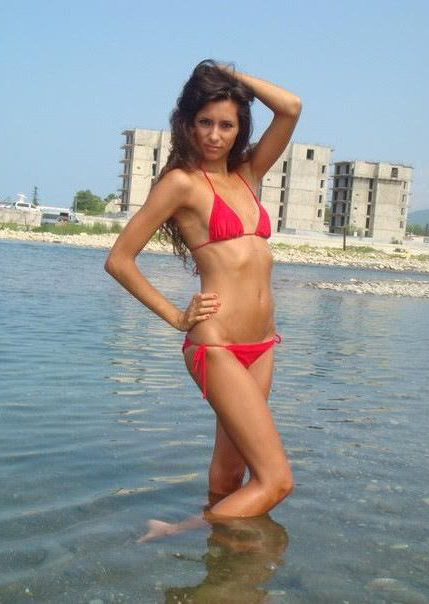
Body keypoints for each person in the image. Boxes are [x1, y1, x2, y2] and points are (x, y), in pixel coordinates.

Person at [105, 59, 301, 528]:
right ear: (188, 125)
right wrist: (176, 316)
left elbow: (290, 108)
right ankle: (177, 531)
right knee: (276, 481)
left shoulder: (248, 174)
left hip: (262, 345)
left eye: (226, 125)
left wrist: (232, 76)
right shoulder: (181, 184)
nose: (215, 135)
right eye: (205, 122)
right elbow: (119, 260)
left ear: (239, 128)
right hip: (217, 346)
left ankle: (222, 561)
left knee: (231, 473)